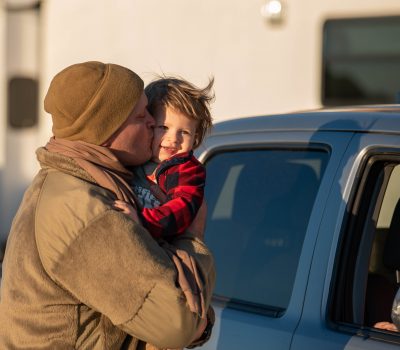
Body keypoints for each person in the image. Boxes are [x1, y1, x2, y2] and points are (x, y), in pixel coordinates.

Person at [0, 61, 215, 349]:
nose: (153, 123)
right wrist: (193, 235)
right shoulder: (85, 208)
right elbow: (177, 325)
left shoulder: (79, 183)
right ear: (107, 127)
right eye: (141, 116)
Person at [114, 76, 214, 240]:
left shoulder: (186, 170)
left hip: (160, 244)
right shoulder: (133, 159)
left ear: (195, 138)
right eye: (164, 127)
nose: (174, 139)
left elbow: (182, 208)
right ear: (150, 124)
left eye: (184, 132)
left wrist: (142, 220)